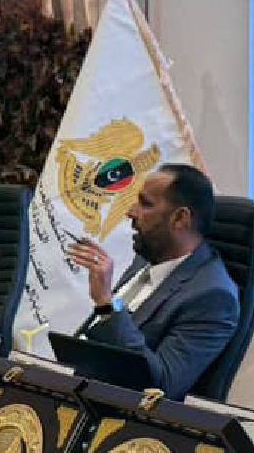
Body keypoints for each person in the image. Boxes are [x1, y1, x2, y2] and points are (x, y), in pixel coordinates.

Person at [64, 163, 239, 399]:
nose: (130, 212)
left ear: (180, 218)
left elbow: (161, 386)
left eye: (145, 204)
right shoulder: (148, 257)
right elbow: (117, 323)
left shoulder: (213, 297)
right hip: (78, 389)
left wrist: (106, 304)